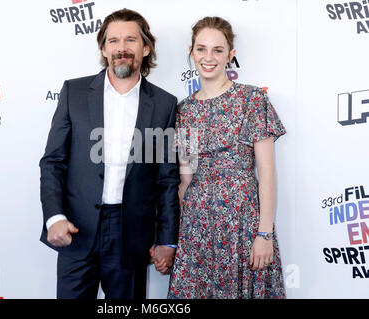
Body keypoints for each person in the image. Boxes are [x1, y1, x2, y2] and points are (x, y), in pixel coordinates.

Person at [39, 8, 180, 299]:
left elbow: (167, 180)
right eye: (113, 41)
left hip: (131, 236)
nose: (122, 48)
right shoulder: (73, 93)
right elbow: (53, 163)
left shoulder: (165, 105)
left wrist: (167, 239)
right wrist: (54, 217)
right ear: (103, 49)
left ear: (146, 47)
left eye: (131, 40)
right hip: (77, 230)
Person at [167, 16, 286, 299]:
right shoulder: (183, 110)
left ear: (230, 55)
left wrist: (264, 234)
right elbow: (185, 181)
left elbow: (266, 173)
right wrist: (178, 238)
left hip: (243, 223)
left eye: (218, 50)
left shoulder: (252, 99)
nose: (209, 57)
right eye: (201, 49)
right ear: (191, 52)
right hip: (197, 228)